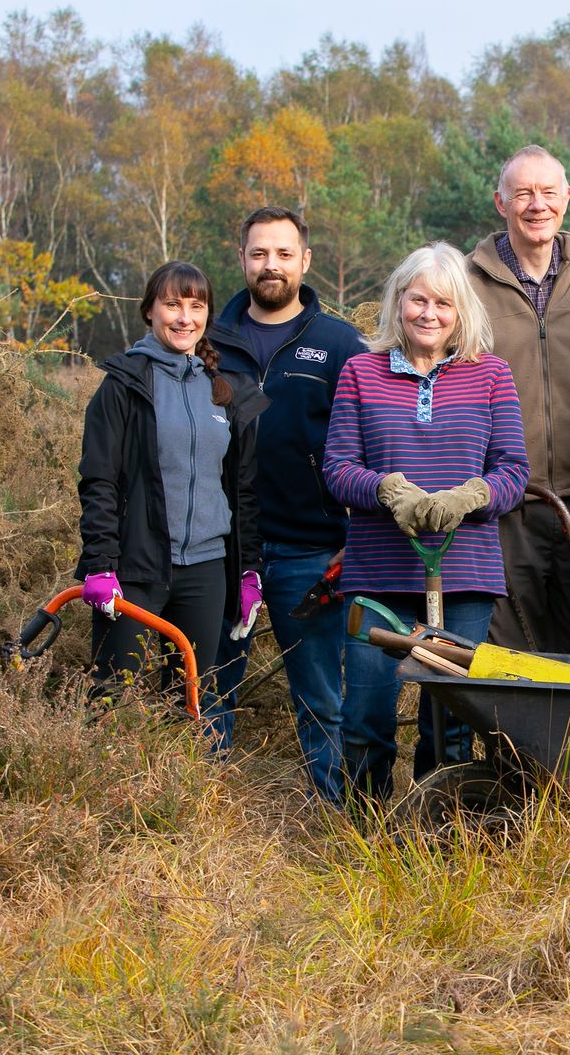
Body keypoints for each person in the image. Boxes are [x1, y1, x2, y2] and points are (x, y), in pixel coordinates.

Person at [324, 242, 529, 798]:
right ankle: (366, 830)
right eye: (418, 299)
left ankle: (437, 828)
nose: (429, 313)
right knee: (366, 712)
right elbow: (338, 469)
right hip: (377, 573)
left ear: (461, 309)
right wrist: (387, 489)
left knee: (450, 719)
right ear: (398, 301)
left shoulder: (490, 375)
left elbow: (514, 471)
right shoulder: (361, 372)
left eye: (443, 302)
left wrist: (472, 495)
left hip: (463, 574)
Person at [207, 205, 368, 797]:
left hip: (312, 550)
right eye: (258, 254)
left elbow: (371, 450)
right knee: (211, 689)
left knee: (321, 696)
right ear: (242, 259)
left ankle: (332, 819)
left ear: (304, 260)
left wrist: (356, 543)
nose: (269, 265)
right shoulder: (208, 340)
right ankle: (204, 820)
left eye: (282, 254)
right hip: (222, 549)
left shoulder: (341, 345)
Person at [75, 260, 269, 713]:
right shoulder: (124, 385)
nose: (185, 317)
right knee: (110, 698)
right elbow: (99, 480)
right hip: (136, 568)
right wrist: (101, 563)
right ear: (149, 311)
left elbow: (241, 491)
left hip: (206, 570)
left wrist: (247, 570)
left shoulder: (223, 391)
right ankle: (100, 782)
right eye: (172, 305)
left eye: (196, 306)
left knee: (188, 702)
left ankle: (176, 785)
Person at [467, 145, 570, 655]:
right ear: (500, 202)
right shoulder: (468, 282)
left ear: (567, 198)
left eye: (549, 192)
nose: (537, 204)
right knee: (511, 644)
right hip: (505, 502)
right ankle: (512, 739)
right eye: (523, 193)